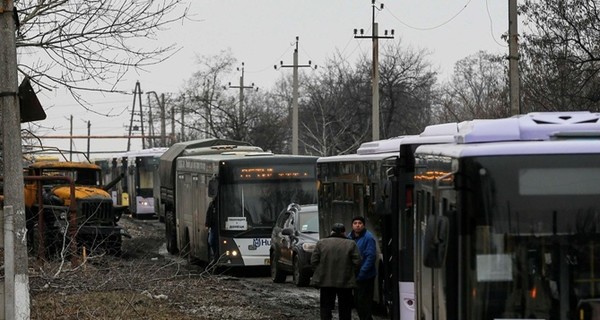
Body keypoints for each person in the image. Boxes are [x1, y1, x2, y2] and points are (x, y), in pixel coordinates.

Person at [311, 223, 361, 320]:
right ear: (344, 233)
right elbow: (357, 262)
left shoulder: (321, 243)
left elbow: (314, 261)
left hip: (326, 281)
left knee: (325, 307)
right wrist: (350, 273)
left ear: (332, 232)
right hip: (345, 281)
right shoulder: (351, 243)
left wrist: (321, 272)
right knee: (345, 308)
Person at [348, 216, 377, 320]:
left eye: (359, 223)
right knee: (358, 302)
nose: (357, 225)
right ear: (352, 225)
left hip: (366, 277)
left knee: (364, 302)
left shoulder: (368, 238)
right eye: (355, 223)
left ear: (363, 225)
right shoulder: (349, 237)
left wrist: (362, 272)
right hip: (355, 276)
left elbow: (370, 257)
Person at [205, 198, 219, 262]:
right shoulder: (212, 205)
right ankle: (214, 256)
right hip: (214, 227)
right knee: (211, 241)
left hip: (220, 227)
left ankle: (216, 256)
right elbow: (209, 215)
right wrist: (207, 224)